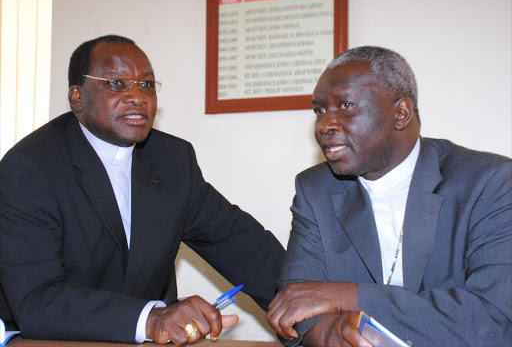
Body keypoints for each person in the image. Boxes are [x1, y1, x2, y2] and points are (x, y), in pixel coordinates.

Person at [0, 35, 285, 346]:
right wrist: (150, 319)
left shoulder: (173, 160)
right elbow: (37, 300)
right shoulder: (30, 167)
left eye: (146, 85)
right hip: (46, 338)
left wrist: (304, 307)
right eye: (117, 84)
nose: (137, 96)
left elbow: (241, 245)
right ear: (77, 97)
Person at [266, 46, 512, 347]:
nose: (324, 125)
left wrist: (349, 296)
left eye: (345, 105)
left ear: (401, 113)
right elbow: (296, 302)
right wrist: (333, 333)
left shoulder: (491, 182)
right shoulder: (315, 189)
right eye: (320, 110)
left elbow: (492, 318)